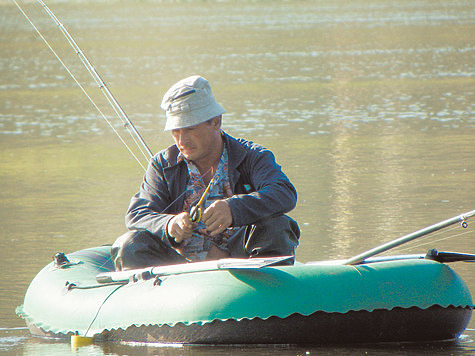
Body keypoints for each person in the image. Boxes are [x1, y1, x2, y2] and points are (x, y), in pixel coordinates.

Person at [111, 75, 300, 271]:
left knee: (278, 225)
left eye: (190, 129)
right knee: (131, 244)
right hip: (181, 267)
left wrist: (233, 209)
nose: (182, 141)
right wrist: (169, 224)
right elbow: (137, 214)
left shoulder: (252, 156)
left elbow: (284, 192)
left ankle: (267, 291)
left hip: (244, 262)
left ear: (216, 122)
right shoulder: (162, 164)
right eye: (176, 131)